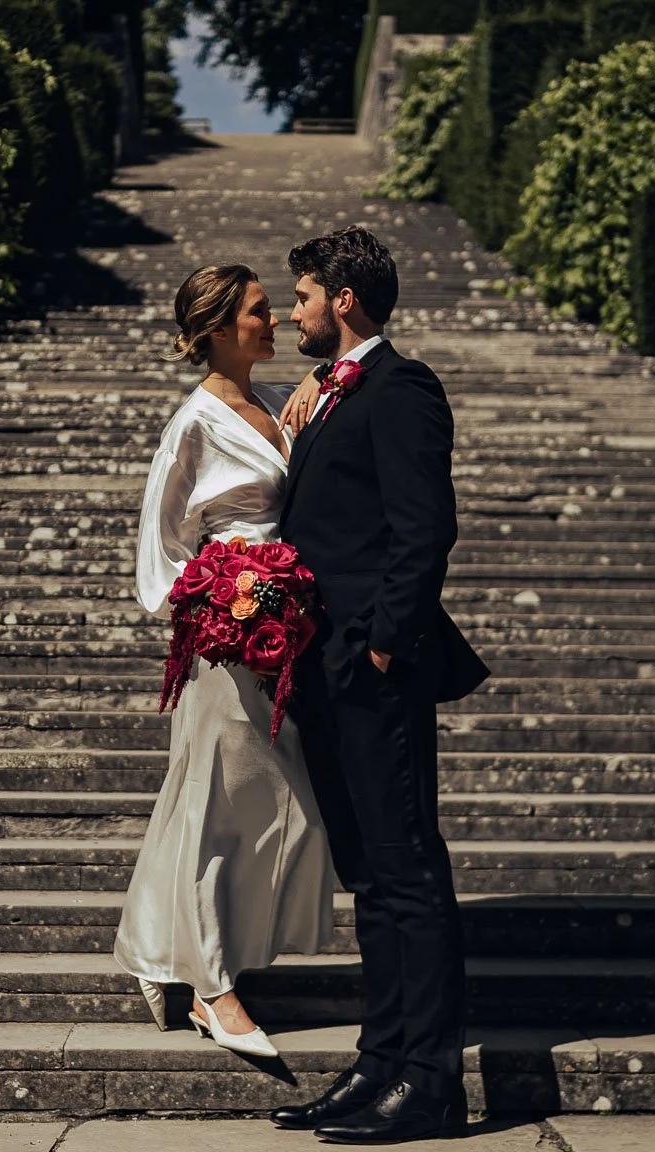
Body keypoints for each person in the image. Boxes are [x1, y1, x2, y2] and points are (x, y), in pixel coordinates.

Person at [268, 227, 490, 1144]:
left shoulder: (402, 387)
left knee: (406, 869)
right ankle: (380, 1061)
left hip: (370, 669)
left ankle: (431, 1082)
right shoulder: (328, 391)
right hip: (323, 671)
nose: (293, 312)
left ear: (344, 299)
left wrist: (384, 649)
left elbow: (424, 527)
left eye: (302, 296)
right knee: (368, 874)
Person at [117, 263, 331, 1059]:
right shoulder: (193, 425)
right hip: (227, 642)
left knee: (264, 808)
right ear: (216, 328)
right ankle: (212, 989)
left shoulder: (277, 401)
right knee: (212, 806)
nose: (274, 322)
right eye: (258, 311)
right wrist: (225, 596)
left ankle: (162, 947)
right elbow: (165, 546)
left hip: (288, 631)